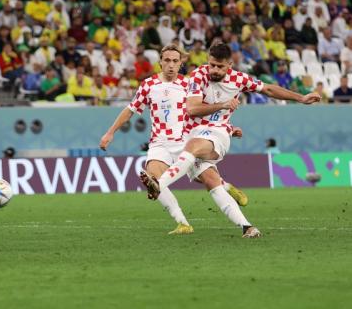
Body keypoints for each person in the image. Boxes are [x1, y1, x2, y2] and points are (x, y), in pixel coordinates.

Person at [147, 43, 321, 238]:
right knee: (211, 181)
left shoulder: (239, 79)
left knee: (192, 147)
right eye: (212, 65)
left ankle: (159, 185)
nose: (214, 70)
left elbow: (269, 90)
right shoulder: (198, 76)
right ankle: (247, 227)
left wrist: (301, 98)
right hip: (193, 133)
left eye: (220, 67)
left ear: (229, 65)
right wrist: (224, 104)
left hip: (217, 133)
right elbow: (192, 109)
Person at [100, 44, 248, 235]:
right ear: (160, 62)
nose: (171, 65)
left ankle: (227, 187)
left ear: (181, 64)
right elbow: (130, 110)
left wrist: (228, 128)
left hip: (186, 139)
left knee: (206, 179)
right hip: (159, 142)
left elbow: (207, 113)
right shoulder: (148, 85)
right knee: (153, 179)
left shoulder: (189, 84)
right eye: (167, 60)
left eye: (175, 61)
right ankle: (183, 223)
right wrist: (110, 132)